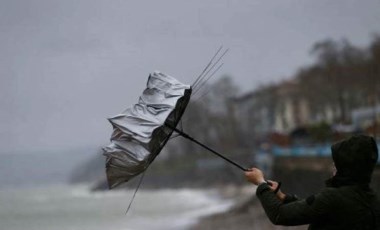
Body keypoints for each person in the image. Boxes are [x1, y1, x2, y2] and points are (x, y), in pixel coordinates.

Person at [245, 134, 380, 229]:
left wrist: (261, 183)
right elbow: (316, 209)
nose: (333, 167)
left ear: (347, 167)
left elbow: (280, 215)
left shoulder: (332, 198)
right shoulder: (372, 199)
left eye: (336, 164)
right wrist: (283, 197)